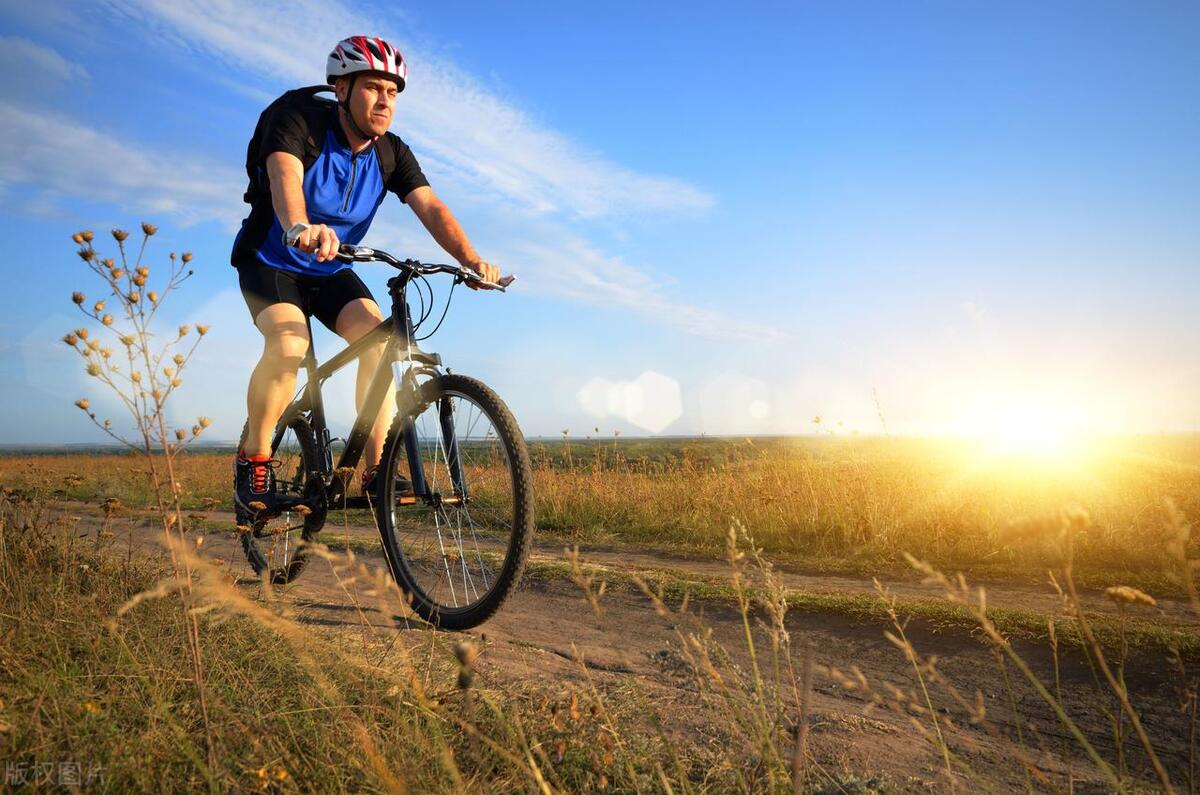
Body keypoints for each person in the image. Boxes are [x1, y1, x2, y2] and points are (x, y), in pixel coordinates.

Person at [230, 35, 500, 517]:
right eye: (373, 87)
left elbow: (430, 206)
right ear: (342, 89)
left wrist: (471, 259)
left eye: (392, 92)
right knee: (289, 345)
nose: (384, 101)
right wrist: (299, 226)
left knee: (380, 341)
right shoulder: (299, 123)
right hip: (270, 261)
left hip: (332, 268)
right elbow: (284, 176)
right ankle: (255, 459)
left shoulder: (390, 152)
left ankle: (377, 470)